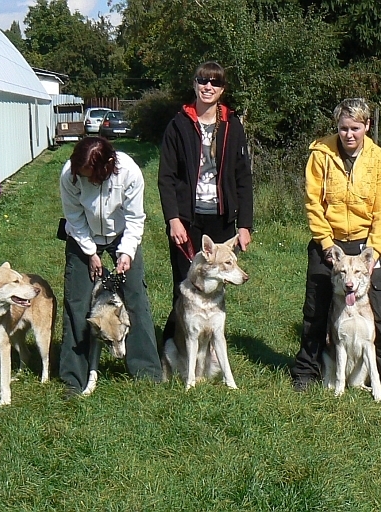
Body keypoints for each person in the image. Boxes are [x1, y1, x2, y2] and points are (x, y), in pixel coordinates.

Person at [289, 98, 381, 394]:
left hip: (365, 245)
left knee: (378, 312)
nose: (349, 135)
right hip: (329, 241)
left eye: (355, 128)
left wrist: (373, 254)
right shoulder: (321, 154)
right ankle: (307, 369)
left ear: (367, 126)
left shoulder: (380, 160)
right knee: (316, 310)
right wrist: (327, 245)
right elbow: (313, 203)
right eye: (344, 128)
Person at [158, 61, 253, 343]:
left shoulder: (232, 125)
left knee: (216, 287)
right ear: (195, 84)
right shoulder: (178, 125)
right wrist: (173, 219)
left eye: (214, 83)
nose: (208, 87)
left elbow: (243, 178)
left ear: (222, 89)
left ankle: (211, 346)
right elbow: (166, 177)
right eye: (203, 81)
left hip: (221, 219)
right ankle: (174, 346)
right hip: (188, 219)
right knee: (186, 286)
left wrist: (245, 225)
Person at [59, 137, 162, 395]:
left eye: (91, 177)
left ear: (107, 167)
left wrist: (126, 253)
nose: (86, 180)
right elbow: (74, 216)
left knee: (135, 297)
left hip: (121, 235)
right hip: (83, 235)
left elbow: (135, 218)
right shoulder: (69, 175)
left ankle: (147, 373)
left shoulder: (129, 172)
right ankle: (73, 378)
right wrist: (90, 252)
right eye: (82, 176)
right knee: (77, 302)